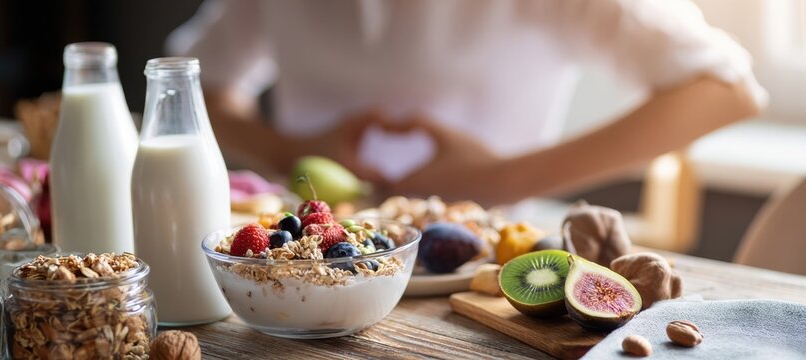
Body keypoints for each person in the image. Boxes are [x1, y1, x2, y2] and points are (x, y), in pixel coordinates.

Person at [167, 0, 766, 205]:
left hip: (485, 270)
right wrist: (287, 150)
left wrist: (499, 179)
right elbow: (186, 79)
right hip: (303, 258)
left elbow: (727, 88)